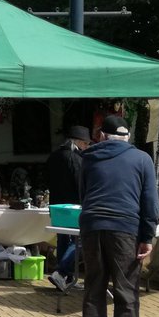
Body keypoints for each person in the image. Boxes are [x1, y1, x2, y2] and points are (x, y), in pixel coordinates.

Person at [78, 114, 158, 317]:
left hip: (92, 225)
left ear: (102, 136)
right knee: (125, 289)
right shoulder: (142, 159)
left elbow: (83, 194)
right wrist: (147, 236)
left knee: (94, 285)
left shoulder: (88, 158)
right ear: (128, 137)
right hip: (125, 228)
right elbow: (150, 203)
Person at [46, 125, 91, 293]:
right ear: (78, 142)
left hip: (57, 206)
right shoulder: (76, 159)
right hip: (74, 207)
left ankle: (65, 278)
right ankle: (62, 272)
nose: (86, 147)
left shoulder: (54, 156)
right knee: (78, 241)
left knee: (63, 240)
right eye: (86, 144)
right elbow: (81, 185)